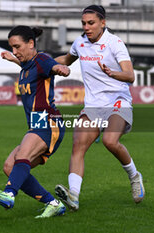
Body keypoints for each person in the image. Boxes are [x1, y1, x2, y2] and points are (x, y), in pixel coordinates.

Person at [53, 5, 145, 211]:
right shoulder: (80, 43)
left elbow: (130, 75)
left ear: (103, 23)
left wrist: (112, 73)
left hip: (117, 101)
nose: (86, 27)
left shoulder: (115, 43)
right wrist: (42, 62)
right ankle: (73, 195)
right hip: (93, 105)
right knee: (78, 145)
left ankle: (134, 176)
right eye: (83, 23)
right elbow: (66, 60)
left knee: (110, 141)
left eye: (91, 23)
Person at [0, 25, 71, 218]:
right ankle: (53, 204)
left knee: (22, 155)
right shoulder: (28, 65)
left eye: (17, 47)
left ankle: (9, 194)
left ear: (31, 43)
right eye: (12, 47)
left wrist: (59, 68)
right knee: (9, 167)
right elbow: (29, 67)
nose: (15, 51)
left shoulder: (43, 59)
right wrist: (14, 60)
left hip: (47, 120)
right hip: (37, 123)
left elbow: (50, 66)